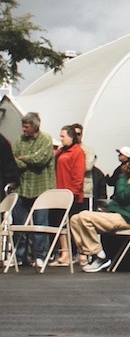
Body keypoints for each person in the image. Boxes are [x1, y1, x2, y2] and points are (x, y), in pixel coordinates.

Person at [71, 142, 130, 273]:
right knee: (74, 219)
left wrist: (123, 177)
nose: (129, 164)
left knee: (84, 216)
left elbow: (123, 197)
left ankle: (101, 257)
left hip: (128, 218)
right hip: (120, 214)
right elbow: (120, 196)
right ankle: (97, 254)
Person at [10, 112, 55, 268]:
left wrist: (23, 158)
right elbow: (14, 160)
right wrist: (25, 159)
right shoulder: (19, 141)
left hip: (41, 188)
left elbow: (40, 159)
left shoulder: (46, 139)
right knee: (19, 223)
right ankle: (20, 256)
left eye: (26, 126)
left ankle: (40, 255)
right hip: (22, 188)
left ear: (34, 126)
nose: (23, 129)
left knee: (40, 224)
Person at [51, 124, 86, 266]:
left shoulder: (77, 152)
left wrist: (73, 192)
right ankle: (65, 253)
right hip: (60, 194)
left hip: (72, 195)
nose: (61, 139)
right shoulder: (60, 152)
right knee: (61, 223)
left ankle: (83, 253)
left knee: (74, 225)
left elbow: (78, 174)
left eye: (63, 136)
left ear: (71, 137)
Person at [72, 124, 96, 209]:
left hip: (84, 190)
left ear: (82, 135)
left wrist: (70, 167)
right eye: (74, 134)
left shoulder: (88, 150)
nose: (76, 136)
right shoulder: (66, 150)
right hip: (70, 190)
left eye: (78, 134)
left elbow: (88, 166)